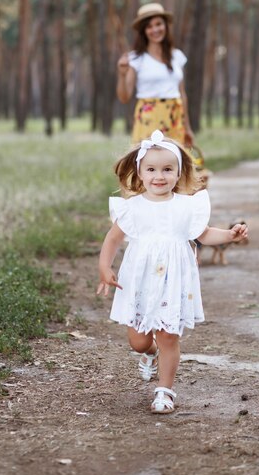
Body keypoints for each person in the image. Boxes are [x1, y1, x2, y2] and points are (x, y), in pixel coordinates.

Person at [96, 129, 248, 414]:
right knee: (139, 341)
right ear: (140, 172)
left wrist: (230, 235)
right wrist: (105, 267)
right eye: (151, 169)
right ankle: (149, 354)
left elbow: (203, 234)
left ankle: (164, 391)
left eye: (167, 169)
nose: (159, 176)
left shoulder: (186, 207)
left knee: (168, 336)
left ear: (179, 173)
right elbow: (113, 239)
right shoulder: (133, 208)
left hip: (173, 281)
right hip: (139, 282)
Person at [116, 2, 195, 147]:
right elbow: (124, 96)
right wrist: (122, 75)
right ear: (143, 31)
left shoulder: (176, 56)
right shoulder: (136, 59)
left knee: (174, 166)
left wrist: (187, 128)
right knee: (149, 164)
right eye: (149, 26)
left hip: (174, 117)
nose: (155, 30)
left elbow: (182, 94)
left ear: (165, 25)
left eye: (158, 24)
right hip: (149, 119)